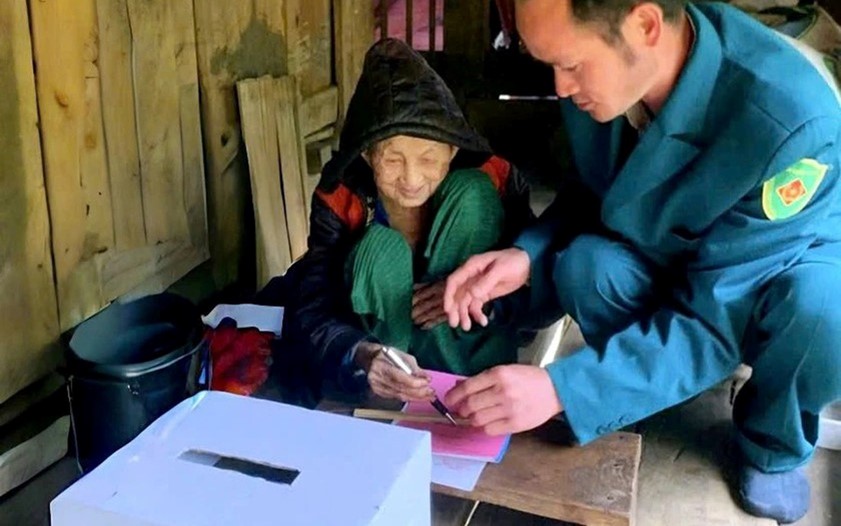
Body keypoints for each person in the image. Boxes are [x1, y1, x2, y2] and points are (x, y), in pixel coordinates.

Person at [441, 0, 841, 523]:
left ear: (646, 25)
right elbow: (595, 191)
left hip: (776, 267)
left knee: (821, 315)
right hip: (670, 244)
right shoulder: (606, 71)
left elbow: (717, 318)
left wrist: (565, 388)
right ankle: (643, 380)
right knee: (585, 267)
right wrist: (528, 255)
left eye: (570, 65)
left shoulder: (790, 119)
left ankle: (774, 440)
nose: (560, 87)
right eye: (550, 64)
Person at [283, 39, 534, 405]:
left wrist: (479, 293)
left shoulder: (494, 179)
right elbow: (313, 303)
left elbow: (539, 280)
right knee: (377, 250)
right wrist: (361, 353)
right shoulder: (342, 197)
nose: (412, 179)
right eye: (392, 160)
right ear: (367, 155)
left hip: (477, 350)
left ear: (452, 150)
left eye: (428, 159)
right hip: (391, 360)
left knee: (472, 195)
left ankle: (472, 376)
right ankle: (399, 385)